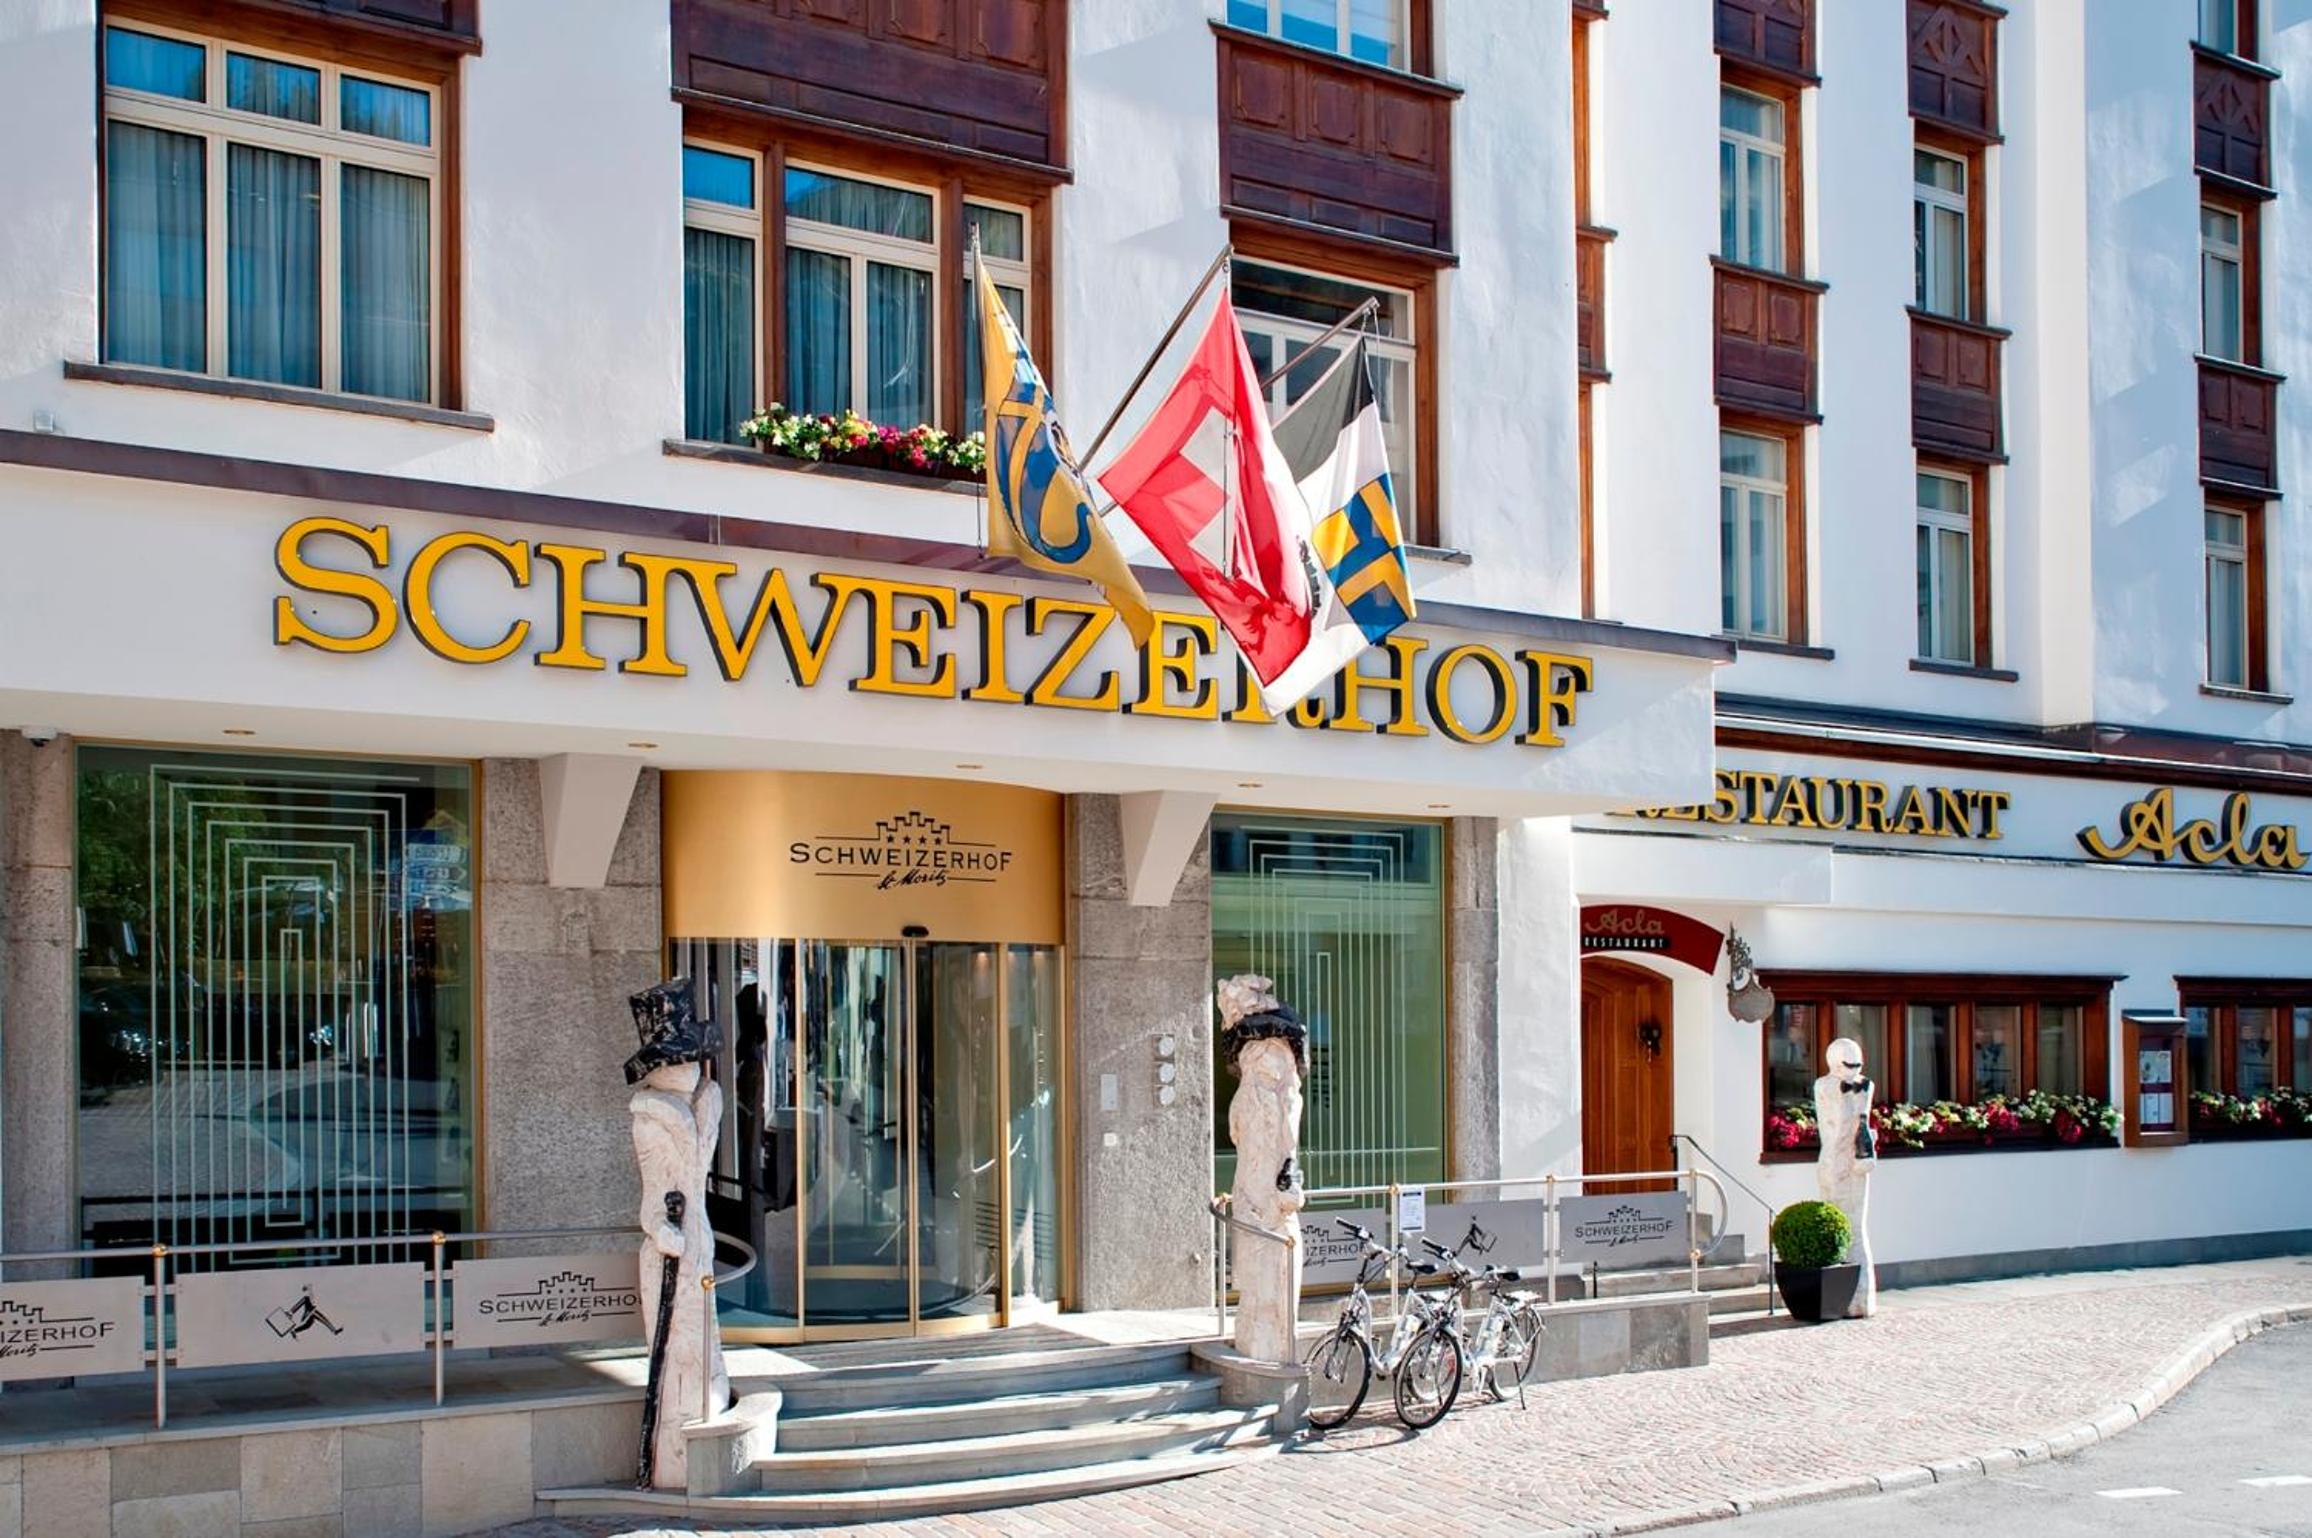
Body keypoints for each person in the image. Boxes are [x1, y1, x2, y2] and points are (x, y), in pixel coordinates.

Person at [1811, 1036, 1877, 1318]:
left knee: (1856, 1227)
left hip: (1857, 1163)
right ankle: (1844, 1298)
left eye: (1857, 1064)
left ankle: (1861, 1298)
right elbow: (1834, 1130)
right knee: (1838, 1224)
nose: (1855, 1070)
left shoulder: (1866, 1085)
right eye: (1849, 1064)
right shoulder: (1824, 1086)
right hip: (1833, 1162)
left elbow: (1862, 1122)